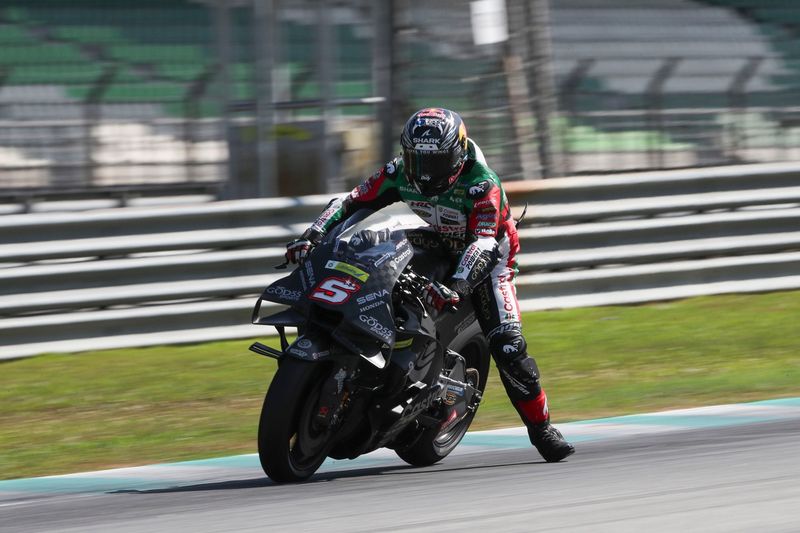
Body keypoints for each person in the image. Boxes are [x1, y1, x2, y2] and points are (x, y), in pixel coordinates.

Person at [285, 107, 574, 462]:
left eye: (434, 163)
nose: (423, 172)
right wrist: (313, 234)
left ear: (457, 154)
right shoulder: (399, 170)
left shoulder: (482, 184)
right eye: (416, 160)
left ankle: (541, 428)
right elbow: (351, 201)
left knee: (509, 346)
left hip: (485, 262)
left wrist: (458, 286)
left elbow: (483, 243)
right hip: (429, 243)